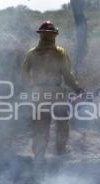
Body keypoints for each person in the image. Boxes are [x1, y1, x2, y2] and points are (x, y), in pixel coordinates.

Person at [22, 21, 84, 161]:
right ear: (55, 35)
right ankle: (61, 151)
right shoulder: (60, 53)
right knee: (62, 123)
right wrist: (77, 89)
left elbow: (24, 75)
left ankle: (39, 155)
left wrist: (31, 87)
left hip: (38, 94)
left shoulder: (31, 54)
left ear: (40, 35)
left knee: (40, 125)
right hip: (57, 94)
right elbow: (68, 76)